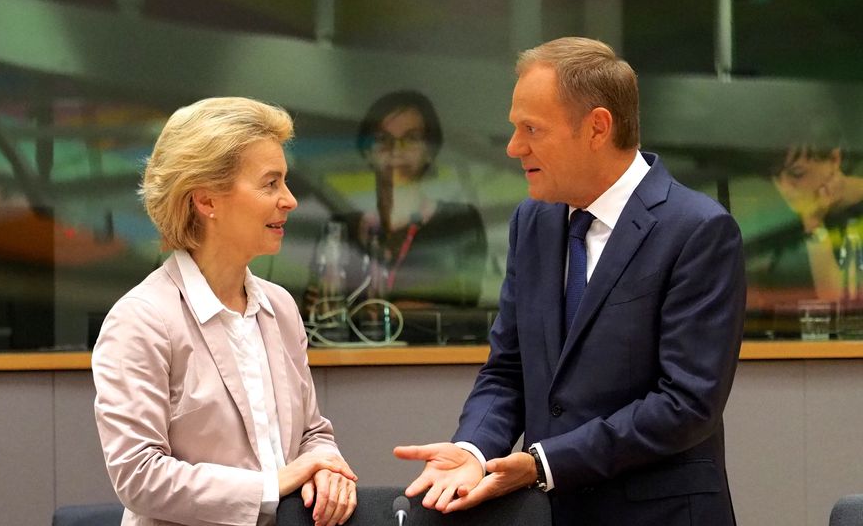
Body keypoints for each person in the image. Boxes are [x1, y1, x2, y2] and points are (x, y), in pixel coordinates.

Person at [394, 37, 746, 526]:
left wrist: (544, 463)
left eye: (531, 129)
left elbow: (686, 403)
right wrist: (474, 450)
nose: (514, 147)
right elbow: (508, 368)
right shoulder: (532, 221)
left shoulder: (698, 230)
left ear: (597, 127)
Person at [92, 97, 357, 526]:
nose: (290, 200)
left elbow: (313, 434)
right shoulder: (141, 320)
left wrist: (327, 468)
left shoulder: (280, 307)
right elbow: (139, 476)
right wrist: (272, 486)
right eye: (270, 183)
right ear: (206, 201)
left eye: (285, 182)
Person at [308, 91, 487, 315]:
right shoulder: (339, 229)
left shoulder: (458, 222)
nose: (395, 150)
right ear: (367, 151)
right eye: (382, 138)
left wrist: (398, 313)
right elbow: (317, 307)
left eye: (411, 138)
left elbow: (465, 309)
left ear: (430, 151)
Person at [769, 145, 863, 302]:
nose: (786, 189)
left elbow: (840, 305)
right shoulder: (781, 231)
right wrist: (813, 223)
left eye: (797, 174)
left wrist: (813, 223)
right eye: (777, 177)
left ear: (834, 160)